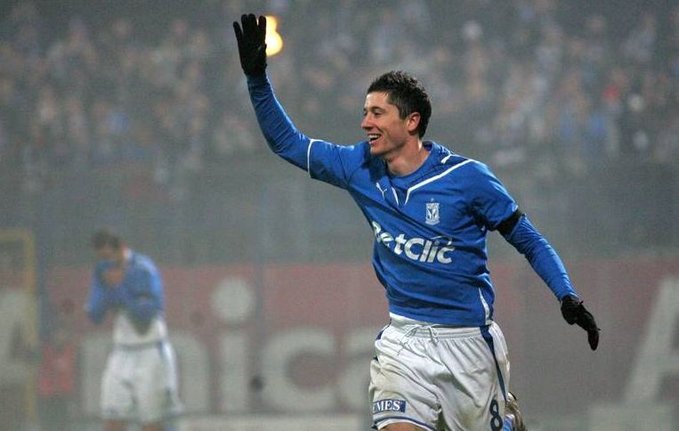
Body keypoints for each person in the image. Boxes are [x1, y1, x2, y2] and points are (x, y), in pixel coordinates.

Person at [233, 14, 600, 431]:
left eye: (377, 113)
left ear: (411, 122)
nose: (365, 123)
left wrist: (567, 295)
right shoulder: (358, 166)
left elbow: (529, 241)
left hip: (468, 343)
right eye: (365, 112)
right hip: (404, 341)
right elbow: (288, 144)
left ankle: (506, 419)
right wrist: (257, 80)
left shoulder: (468, 179)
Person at [85, 229, 182, 431]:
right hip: (121, 352)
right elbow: (95, 314)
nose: (106, 262)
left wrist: (119, 287)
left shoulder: (144, 269)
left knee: (152, 423)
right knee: (112, 419)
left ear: (121, 249)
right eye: (101, 258)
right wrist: (104, 291)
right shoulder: (102, 270)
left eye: (108, 257)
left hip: (150, 351)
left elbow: (146, 314)